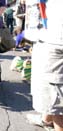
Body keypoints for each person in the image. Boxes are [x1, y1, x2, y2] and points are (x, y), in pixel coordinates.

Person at [26, 0, 63, 131]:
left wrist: (30, 34)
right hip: (54, 36)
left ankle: (54, 124)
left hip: (54, 40)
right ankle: (46, 120)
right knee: (51, 89)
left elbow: (34, 10)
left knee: (55, 93)